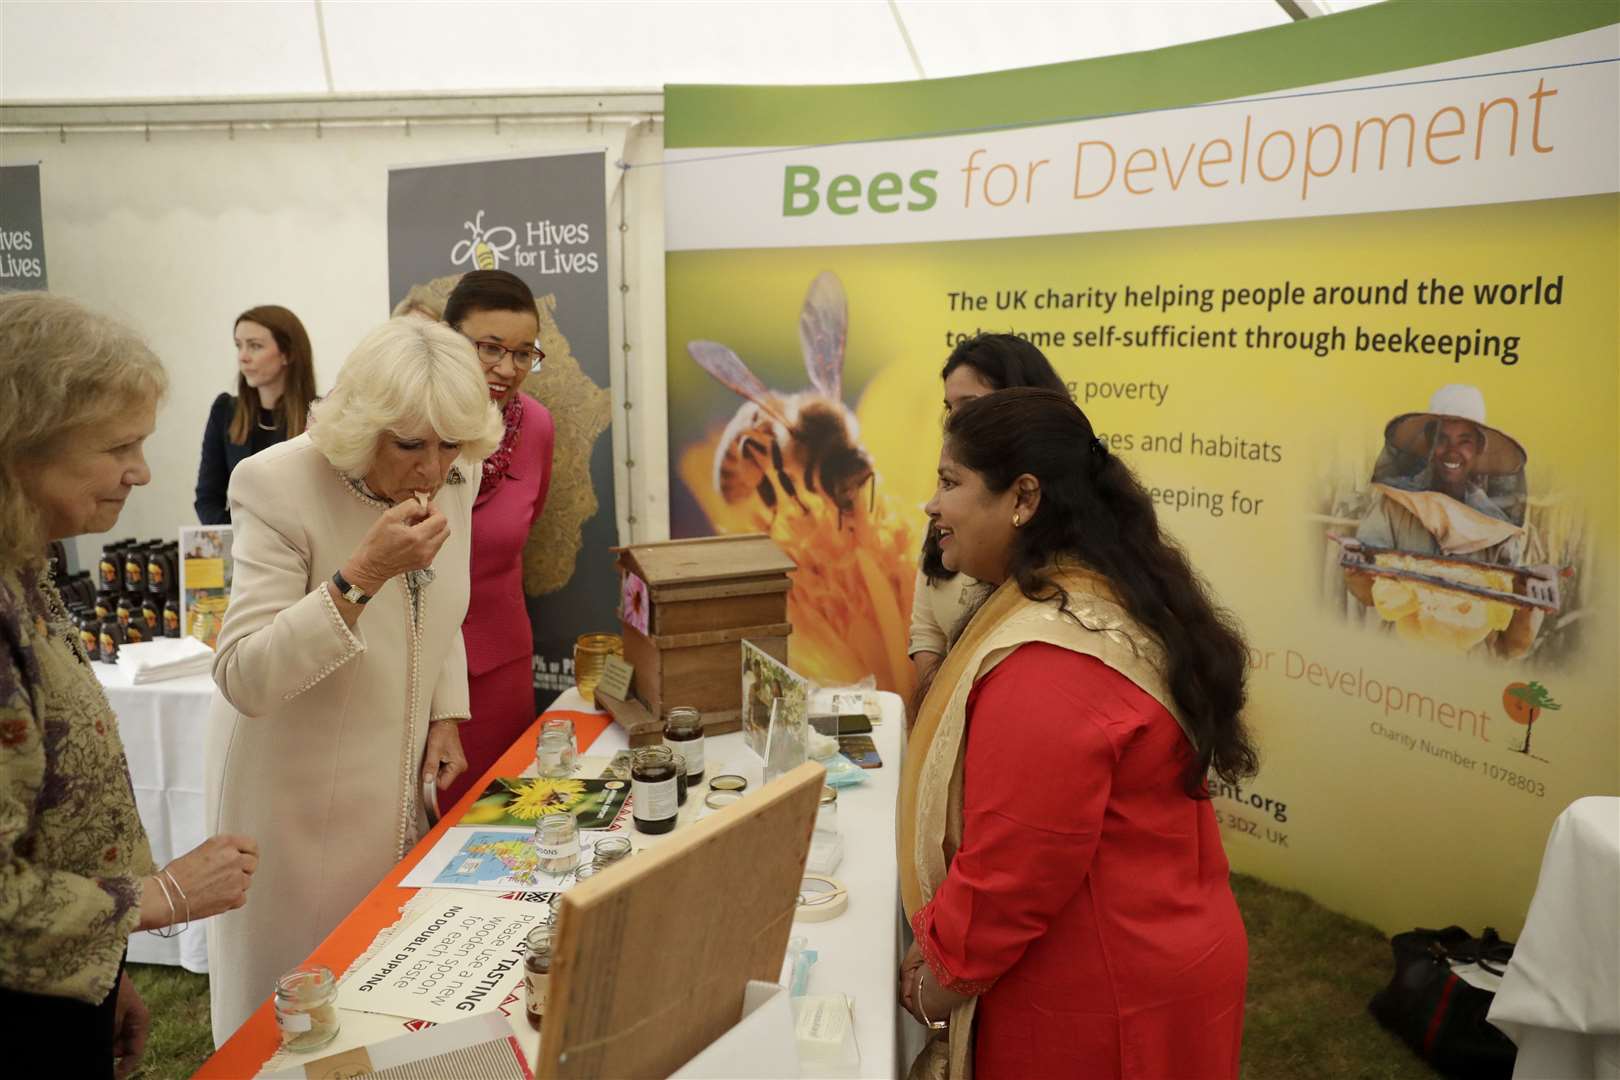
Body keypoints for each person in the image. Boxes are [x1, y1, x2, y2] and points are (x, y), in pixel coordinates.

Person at [898, 388, 1254, 1079]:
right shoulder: (1096, 594)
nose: (932, 506)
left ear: (1023, 498)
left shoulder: (1049, 662)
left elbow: (1014, 873)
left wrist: (933, 980)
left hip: (1104, 997)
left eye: (950, 482)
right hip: (1155, 951)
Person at [204, 316, 502, 1044]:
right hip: (295, 791)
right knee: (299, 1013)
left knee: (389, 997)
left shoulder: (452, 474)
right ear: (365, 424)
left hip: (397, 778)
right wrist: (361, 574)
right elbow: (244, 674)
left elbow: (440, 602)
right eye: (411, 446)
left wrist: (446, 711)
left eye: (451, 446)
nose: (434, 469)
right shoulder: (275, 482)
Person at [0, 293, 258, 1079]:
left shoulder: (25, 563)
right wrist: (162, 898)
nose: (140, 473)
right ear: (22, 445)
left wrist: (101, 976)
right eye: (120, 446)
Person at [436, 271, 555, 809]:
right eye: (489, 348)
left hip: (500, 665)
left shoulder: (537, 427)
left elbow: (524, 527)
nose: (507, 369)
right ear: (448, 339)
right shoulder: (409, 424)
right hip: (417, 668)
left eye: (524, 353)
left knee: (500, 825)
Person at [909, 334, 1070, 695]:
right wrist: (944, 713)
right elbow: (926, 631)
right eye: (950, 408)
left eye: (970, 405)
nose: (954, 422)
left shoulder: (1069, 535)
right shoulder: (950, 505)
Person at [1346, 384, 1539, 656]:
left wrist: (1526, 600)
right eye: (1442, 439)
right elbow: (1367, 594)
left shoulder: (1498, 528)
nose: (1452, 451)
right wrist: (1357, 571)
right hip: (1397, 662)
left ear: (1479, 449)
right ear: (1429, 445)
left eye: (1464, 441)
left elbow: (1511, 642)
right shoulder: (1395, 504)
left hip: (1462, 676)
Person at [194, 305, 317, 524]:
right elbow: (207, 499)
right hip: (238, 546)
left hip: (299, 546)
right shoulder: (224, 411)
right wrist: (239, 540)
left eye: (255, 346)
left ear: (287, 354)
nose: (243, 357)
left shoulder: (320, 414)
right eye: (238, 346)